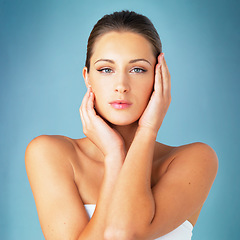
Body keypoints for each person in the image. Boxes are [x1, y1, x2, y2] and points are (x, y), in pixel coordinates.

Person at [25, 10, 218, 240]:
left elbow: (125, 232)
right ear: (87, 77)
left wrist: (147, 131)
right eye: (106, 69)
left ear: (159, 77)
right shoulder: (51, 154)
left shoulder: (194, 159)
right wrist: (114, 156)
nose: (121, 85)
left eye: (138, 69)